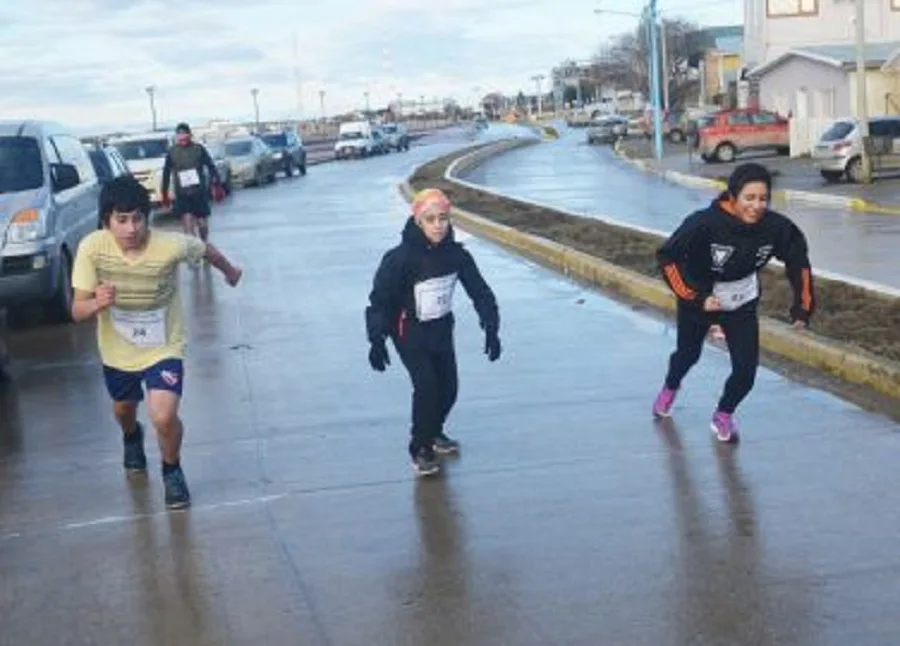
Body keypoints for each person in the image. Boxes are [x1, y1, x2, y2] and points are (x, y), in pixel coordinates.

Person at [71, 175, 243, 509]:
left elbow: (204, 249)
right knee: (123, 409)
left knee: (163, 417)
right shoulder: (92, 248)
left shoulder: (169, 245)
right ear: (106, 220)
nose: (131, 228)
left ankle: (172, 471)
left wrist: (231, 272)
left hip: (164, 344)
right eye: (121, 220)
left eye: (137, 218)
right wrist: (96, 303)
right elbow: (77, 310)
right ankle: (131, 435)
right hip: (117, 349)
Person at [652, 162, 815, 442]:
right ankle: (670, 386)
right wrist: (696, 297)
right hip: (700, 300)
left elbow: (798, 263)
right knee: (688, 355)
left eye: (763, 199)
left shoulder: (776, 228)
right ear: (733, 196)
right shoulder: (704, 223)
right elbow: (668, 257)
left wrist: (803, 308)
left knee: (746, 371)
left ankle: (724, 414)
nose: (756, 206)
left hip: (741, 302)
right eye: (749, 198)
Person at [365, 188, 502, 476]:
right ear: (418, 222)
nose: (438, 225)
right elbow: (380, 301)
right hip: (407, 330)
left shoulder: (457, 255)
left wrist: (491, 327)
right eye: (431, 219)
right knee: (427, 387)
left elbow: (480, 292)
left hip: (440, 328)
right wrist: (376, 339)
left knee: (449, 388)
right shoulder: (399, 259)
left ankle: (434, 431)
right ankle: (420, 448)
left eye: (443, 218)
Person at [161, 123, 225, 243]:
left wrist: (217, 184)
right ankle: (192, 250)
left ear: (190, 135)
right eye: (180, 135)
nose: (183, 137)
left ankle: (204, 245)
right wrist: (164, 193)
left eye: (185, 134)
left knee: (202, 225)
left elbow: (211, 166)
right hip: (182, 194)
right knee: (188, 223)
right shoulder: (172, 152)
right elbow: (166, 172)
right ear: (177, 137)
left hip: (198, 193)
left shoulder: (198, 149)